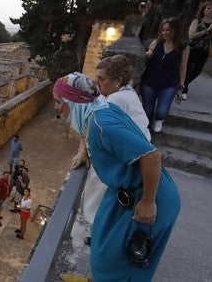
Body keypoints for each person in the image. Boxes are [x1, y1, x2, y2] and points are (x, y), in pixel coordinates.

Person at [53, 72, 180, 281]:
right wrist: (85, 151)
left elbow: (152, 157)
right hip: (126, 191)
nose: (57, 108)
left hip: (149, 195)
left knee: (125, 262)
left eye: (59, 102)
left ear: (73, 100)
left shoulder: (102, 125)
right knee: (104, 245)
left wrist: (148, 202)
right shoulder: (99, 111)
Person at [76, 55, 152, 245]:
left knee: (105, 198)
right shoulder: (115, 93)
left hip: (129, 159)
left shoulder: (118, 99)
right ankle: (101, 235)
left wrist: (84, 151)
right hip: (126, 154)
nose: (97, 82)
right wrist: (82, 150)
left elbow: (91, 124)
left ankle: (102, 237)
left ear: (118, 80)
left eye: (101, 78)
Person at [141, 18, 189, 132]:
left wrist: (181, 88)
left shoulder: (183, 47)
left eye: (168, 30)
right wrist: (147, 56)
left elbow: (183, 68)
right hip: (149, 81)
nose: (165, 33)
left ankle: (159, 119)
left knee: (161, 111)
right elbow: (145, 60)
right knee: (147, 111)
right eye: (163, 30)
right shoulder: (156, 43)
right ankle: (146, 133)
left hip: (169, 83)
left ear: (176, 31)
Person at [182, 0, 212, 100]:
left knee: (197, 70)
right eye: (209, 8)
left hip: (205, 49)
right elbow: (191, 35)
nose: (211, 10)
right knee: (188, 68)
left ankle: (182, 85)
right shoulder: (197, 21)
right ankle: (184, 89)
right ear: (204, 10)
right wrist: (207, 29)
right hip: (192, 48)